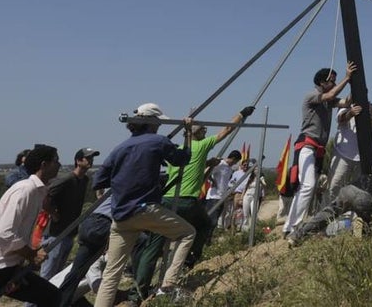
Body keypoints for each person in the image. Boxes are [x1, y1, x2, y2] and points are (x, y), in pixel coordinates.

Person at [134, 105, 252, 298]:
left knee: (154, 246)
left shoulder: (178, 151)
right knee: (204, 225)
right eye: (204, 130)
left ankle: (137, 292)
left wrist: (207, 164)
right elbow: (227, 130)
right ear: (199, 133)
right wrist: (242, 114)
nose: (206, 132)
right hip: (186, 201)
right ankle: (189, 260)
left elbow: (185, 169)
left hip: (166, 200)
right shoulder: (202, 145)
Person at [91, 103, 196, 307]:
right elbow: (182, 159)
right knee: (187, 233)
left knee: (112, 274)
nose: (159, 126)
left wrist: (126, 178)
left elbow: (99, 181)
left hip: (121, 216)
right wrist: (188, 133)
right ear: (151, 122)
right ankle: (168, 285)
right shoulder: (157, 141)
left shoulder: (120, 148)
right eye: (158, 122)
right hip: (145, 209)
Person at [0, 144, 62, 307]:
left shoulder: (37, 192)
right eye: (56, 161)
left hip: (10, 269)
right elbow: (5, 234)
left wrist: (26, 257)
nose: (59, 165)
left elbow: (20, 232)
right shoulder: (24, 190)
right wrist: (31, 254)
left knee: (51, 296)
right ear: (44, 164)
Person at [282, 63, 357, 237]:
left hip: (318, 150)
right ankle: (296, 226)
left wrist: (354, 83)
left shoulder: (328, 101)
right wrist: (347, 78)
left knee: (305, 187)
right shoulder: (312, 95)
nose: (334, 83)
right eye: (332, 80)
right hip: (307, 145)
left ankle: (289, 226)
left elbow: (345, 102)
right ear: (322, 83)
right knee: (308, 185)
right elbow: (331, 94)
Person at [36, 148, 99, 288]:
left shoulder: (84, 180)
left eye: (92, 158)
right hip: (55, 233)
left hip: (69, 233)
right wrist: (54, 214)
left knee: (56, 277)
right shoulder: (66, 179)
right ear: (78, 161)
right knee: (46, 276)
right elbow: (45, 199)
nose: (91, 161)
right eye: (87, 158)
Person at [327, 102, 372, 204]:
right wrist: (351, 113)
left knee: (360, 189)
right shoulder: (346, 106)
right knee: (334, 184)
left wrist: (369, 116)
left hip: (363, 157)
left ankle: (353, 215)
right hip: (343, 154)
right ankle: (328, 213)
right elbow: (341, 119)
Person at [207, 150, 241, 230]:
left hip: (222, 197)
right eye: (236, 161)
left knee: (215, 221)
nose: (235, 164)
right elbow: (208, 172)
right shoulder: (220, 164)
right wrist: (212, 181)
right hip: (214, 196)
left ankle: (210, 239)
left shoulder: (229, 169)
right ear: (232, 158)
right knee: (211, 221)